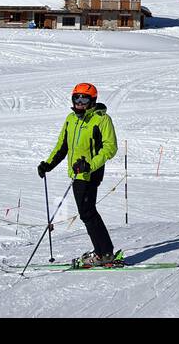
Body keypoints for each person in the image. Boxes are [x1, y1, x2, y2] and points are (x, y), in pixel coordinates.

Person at [38, 82, 119, 267]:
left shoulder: (101, 120)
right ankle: (103, 251)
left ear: (93, 100)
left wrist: (89, 165)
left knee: (87, 213)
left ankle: (104, 253)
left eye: (84, 99)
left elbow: (110, 147)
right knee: (87, 213)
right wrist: (48, 165)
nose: (79, 103)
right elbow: (62, 146)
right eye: (76, 98)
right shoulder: (71, 119)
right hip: (76, 174)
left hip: (90, 173)